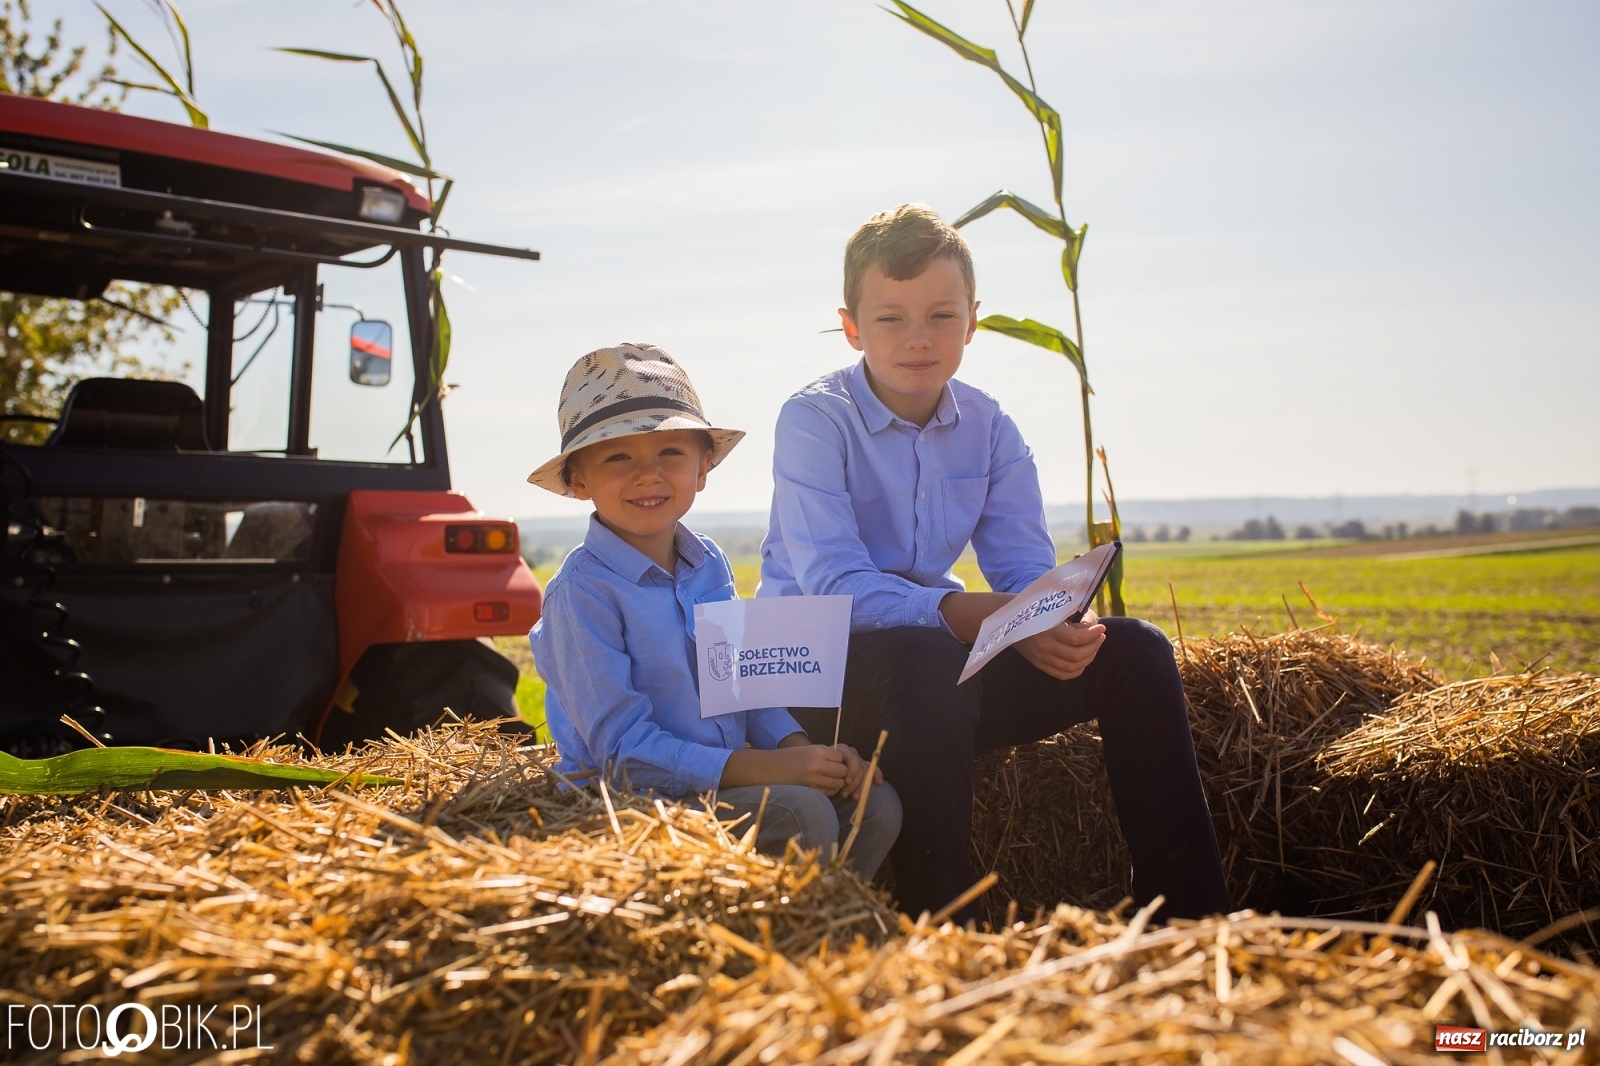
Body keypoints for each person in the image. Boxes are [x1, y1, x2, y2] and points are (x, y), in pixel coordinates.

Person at [759, 205, 1229, 920]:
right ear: (852, 325)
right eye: (890, 318)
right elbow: (835, 586)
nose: (918, 338)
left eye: (941, 315)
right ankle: (943, 929)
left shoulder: (990, 427)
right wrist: (994, 616)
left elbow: (1023, 573)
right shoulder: (814, 420)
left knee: (1133, 650)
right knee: (926, 650)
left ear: (973, 320)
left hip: (935, 686)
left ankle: (1191, 921)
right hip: (816, 685)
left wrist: (1051, 618)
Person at [528, 343, 901, 879]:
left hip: (721, 783)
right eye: (618, 457)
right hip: (631, 805)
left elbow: (744, 686)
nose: (648, 475)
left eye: (670, 454)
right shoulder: (582, 594)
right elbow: (624, 754)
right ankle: (784, 944)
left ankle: (836, 941)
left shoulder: (709, 565)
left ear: (703, 468)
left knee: (877, 807)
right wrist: (776, 769)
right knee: (801, 811)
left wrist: (807, 753)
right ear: (578, 479)